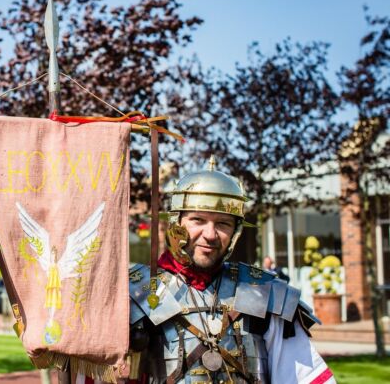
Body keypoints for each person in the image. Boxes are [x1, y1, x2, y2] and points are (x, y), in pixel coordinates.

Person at [127, 157, 334, 384]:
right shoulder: (138, 294)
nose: (210, 234)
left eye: (223, 223)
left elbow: (304, 378)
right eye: (198, 220)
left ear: (236, 231)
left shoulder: (264, 293)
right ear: (176, 223)